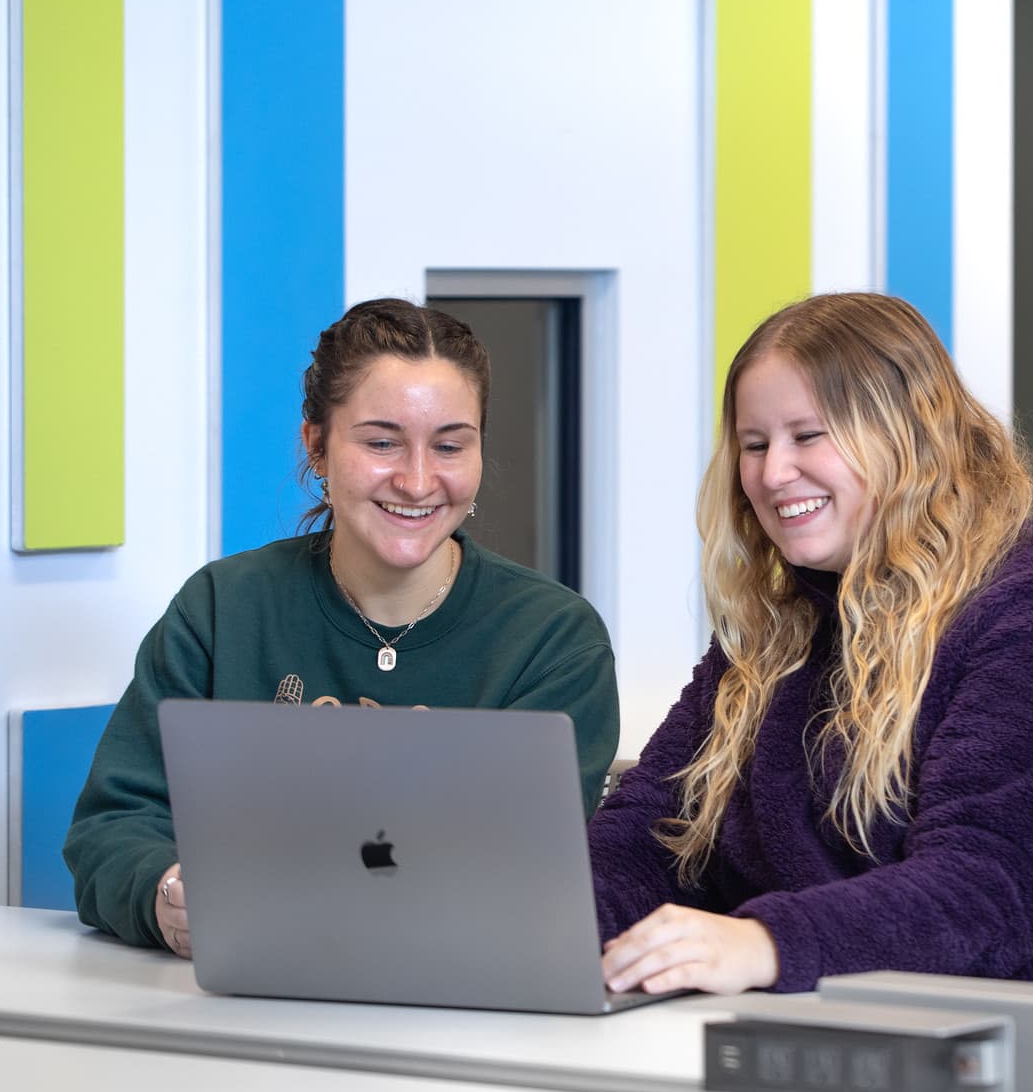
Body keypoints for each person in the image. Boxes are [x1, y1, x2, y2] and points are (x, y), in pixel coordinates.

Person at [589, 293, 1033, 1004]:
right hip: (862, 1020)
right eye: (754, 444)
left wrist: (765, 942)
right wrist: (551, 924)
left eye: (809, 435)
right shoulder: (781, 628)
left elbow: (986, 892)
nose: (774, 472)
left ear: (911, 438)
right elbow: (653, 830)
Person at [65, 298, 622, 957]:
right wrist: (165, 896)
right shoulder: (221, 609)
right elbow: (112, 827)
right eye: (381, 442)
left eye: (449, 445)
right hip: (234, 1009)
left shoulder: (554, 641)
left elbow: (525, 877)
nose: (417, 481)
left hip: (461, 1015)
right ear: (317, 446)